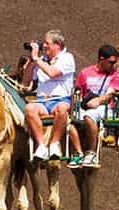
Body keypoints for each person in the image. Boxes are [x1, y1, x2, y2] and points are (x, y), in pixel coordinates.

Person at [20, 30, 76, 161]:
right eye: (43, 43)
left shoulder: (67, 58)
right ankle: (41, 145)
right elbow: (25, 82)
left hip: (60, 100)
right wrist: (32, 61)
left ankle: (54, 143)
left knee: (62, 109)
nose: (43, 46)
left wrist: (37, 59)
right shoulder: (41, 61)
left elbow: (52, 73)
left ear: (58, 45)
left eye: (47, 43)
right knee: (29, 109)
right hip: (42, 101)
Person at [70, 45, 119, 167]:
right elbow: (78, 92)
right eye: (111, 62)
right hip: (86, 106)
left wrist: (98, 101)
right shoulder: (85, 73)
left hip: (105, 107)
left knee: (89, 116)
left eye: (115, 62)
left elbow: (110, 94)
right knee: (68, 121)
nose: (113, 65)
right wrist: (74, 107)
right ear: (101, 59)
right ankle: (78, 153)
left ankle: (91, 153)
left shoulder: (115, 75)